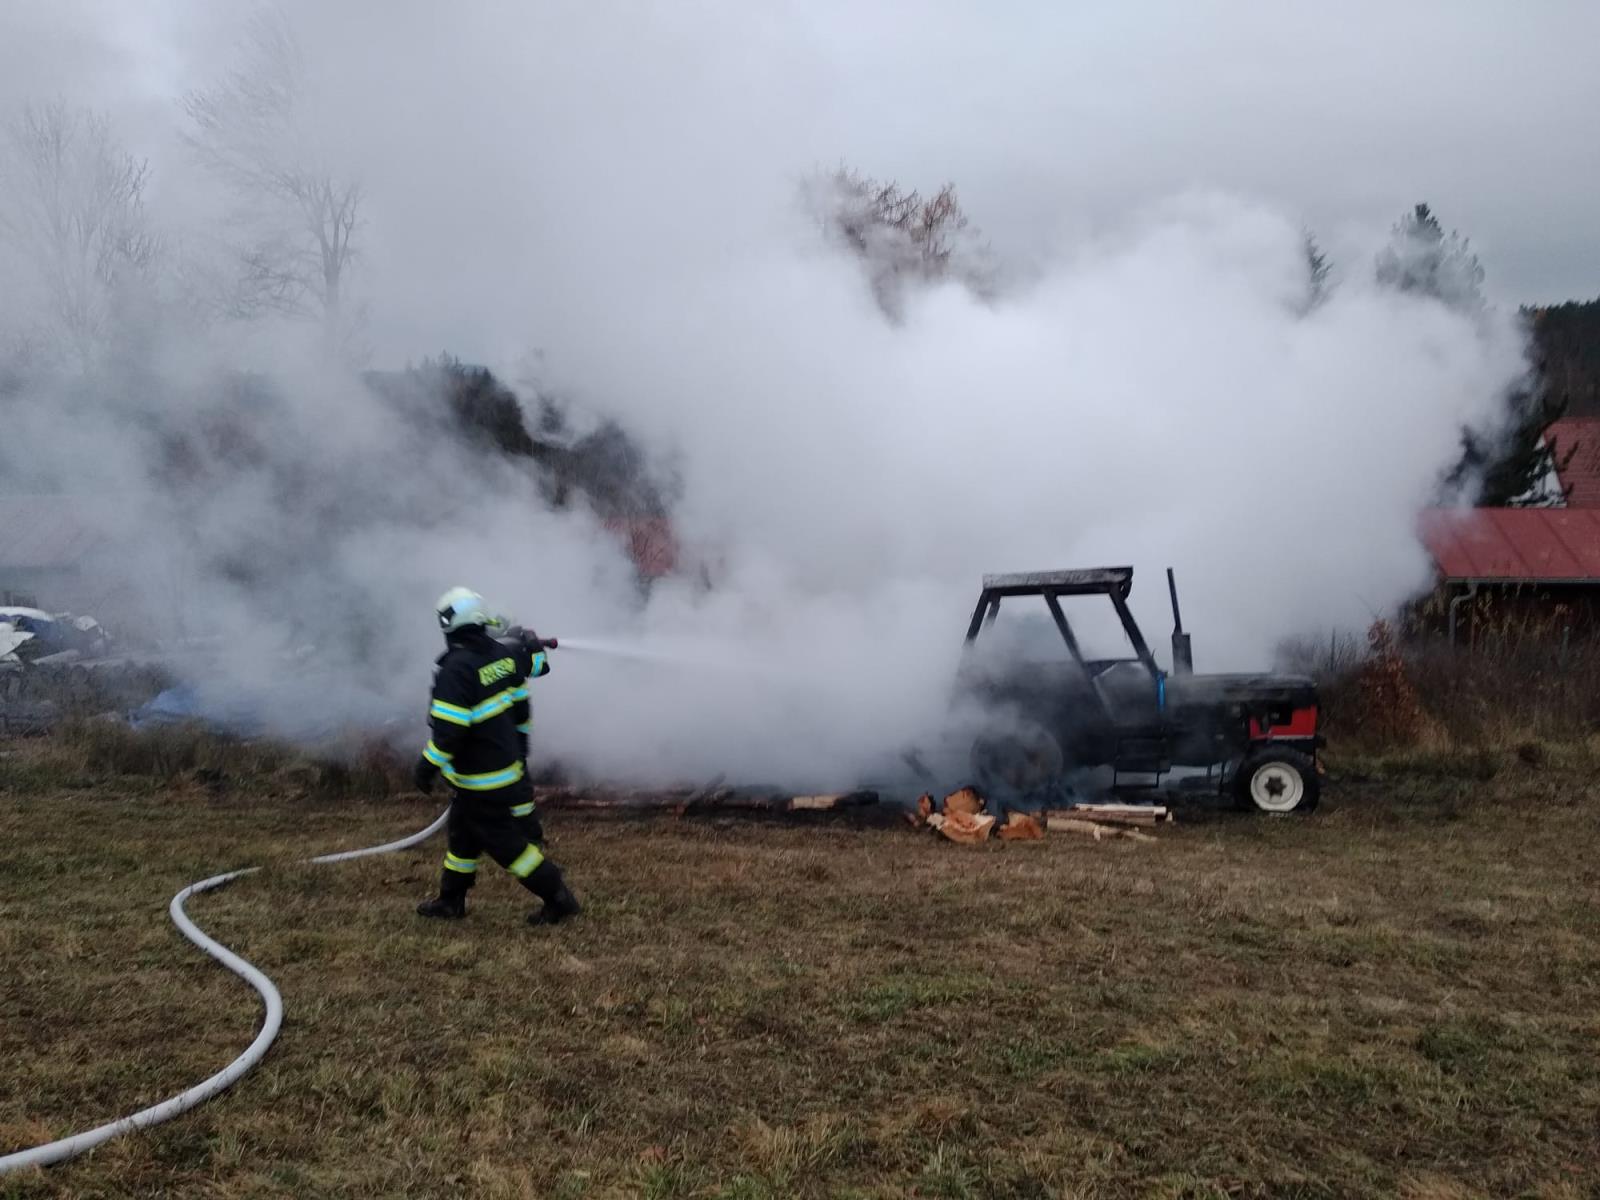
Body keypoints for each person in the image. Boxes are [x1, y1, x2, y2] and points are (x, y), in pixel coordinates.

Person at [413, 586, 581, 925]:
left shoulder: (456, 670)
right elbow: (537, 667)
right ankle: (451, 900)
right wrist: (530, 645)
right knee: (461, 839)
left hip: (482, 780)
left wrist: (426, 767)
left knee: (509, 848)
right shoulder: (501, 655)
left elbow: (449, 732)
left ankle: (558, 897)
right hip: (502, 769)